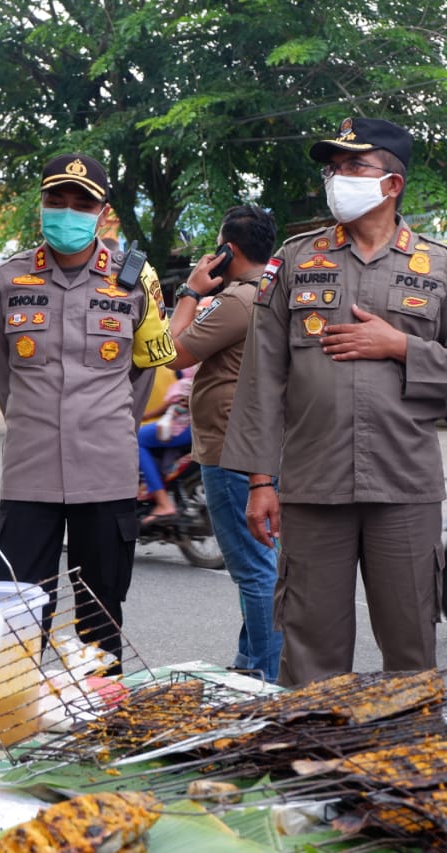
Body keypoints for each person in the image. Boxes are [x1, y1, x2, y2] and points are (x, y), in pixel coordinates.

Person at [221, 118, 447, 686]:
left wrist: (401, 347)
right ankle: (310, 765)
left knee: (411, 648)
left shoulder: (441, 266)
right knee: (310, 647)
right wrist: (259, 481)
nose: (337, 178)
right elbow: (261, 377)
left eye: (352, 167)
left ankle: (409, 766)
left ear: (391, 184)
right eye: (333, 168)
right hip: (311, 485)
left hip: (404, 484)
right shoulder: (295, 261)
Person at [0, 153, 176, 667]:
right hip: (30, 474)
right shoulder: (7, 280)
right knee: (16, 615)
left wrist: (108, 427)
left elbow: (144, 373)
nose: (67, 212)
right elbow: (4, 376)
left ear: (103, 213)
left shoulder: (137, 280)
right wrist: (33, 421)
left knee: (101, 612)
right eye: (56, 200)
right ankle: (16, 730)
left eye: (81, 203)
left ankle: (100, 730)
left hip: (106, 473)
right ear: (41, 205)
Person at [161, 205, 283, 681]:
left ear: (225, 250)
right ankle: (253, 665)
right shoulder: (270, 292)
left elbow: (172, 353)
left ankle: (266, 678)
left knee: (254, 572)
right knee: (262, 565)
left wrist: (191, 290)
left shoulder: (237, 302)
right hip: (256, 446)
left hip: (233, 450)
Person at [137, 366, 194, 524]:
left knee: (136, 440)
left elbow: (175, 400)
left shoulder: (193, 356)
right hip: (191, 424)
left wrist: (146, 414)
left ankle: (163, 502)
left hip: (182, 426)